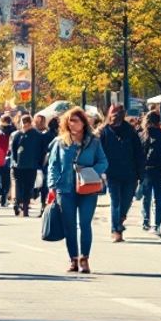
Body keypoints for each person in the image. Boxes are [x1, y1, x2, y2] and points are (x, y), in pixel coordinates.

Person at [48, 106, 109, 274]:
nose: (72, 123)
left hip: (87, 188)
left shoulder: (93, 141)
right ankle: (73, 259)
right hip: (65, 189)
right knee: (69, 225)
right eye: (70, 121)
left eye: (76, 120)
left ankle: (84, 258)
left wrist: (90, 172)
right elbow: (53, 165)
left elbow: (103, 161)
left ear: (83, 123)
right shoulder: (60, 142)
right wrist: (53, 185)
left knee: (84, 223)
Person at [99, 103, 142, 242]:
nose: (116, 116)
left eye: (119, 113)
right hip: (112, 173)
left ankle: (120, 219)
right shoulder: (104, 132)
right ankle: (116, 230)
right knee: (115, 201)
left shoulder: (130, 131)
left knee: (127, 201)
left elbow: (139, 153)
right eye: (113, 112)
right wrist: (101, 171)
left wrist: (140, 174)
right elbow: (99, 153)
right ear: (109, 114)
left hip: (130, 173)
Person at [138, 110, 161, 232]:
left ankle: (146, 221)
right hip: (159, 169)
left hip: (146, 169)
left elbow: (140, 153)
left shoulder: (143, 134)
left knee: (146, 197)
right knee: (159, 197)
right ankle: (158, 222)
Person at [9, 114, 43, 217]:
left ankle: (22, 206)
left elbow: (13, 150)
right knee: (23, 186)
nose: (24, 126)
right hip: (25, 165)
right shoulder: (21, 135)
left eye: (25, 124)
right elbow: (13, 150)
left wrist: (14, 161)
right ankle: (21, 205)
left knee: (24, 186)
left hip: (25, 165)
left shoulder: (26, 135)